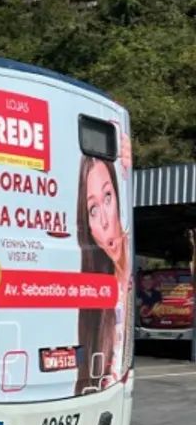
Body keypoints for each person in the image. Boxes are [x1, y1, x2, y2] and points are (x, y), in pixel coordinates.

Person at [75, 145, 132, 394]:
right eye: (93, 210)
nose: (106, 222)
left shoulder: (127, 277)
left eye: (108, 197)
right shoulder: (96, 283)